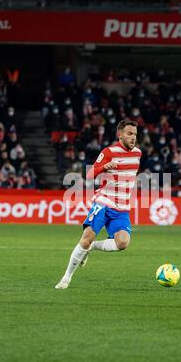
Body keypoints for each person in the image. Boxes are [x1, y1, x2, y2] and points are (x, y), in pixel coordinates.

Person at [55, 120, 141, 289]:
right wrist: (104, 167)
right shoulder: (109, 152)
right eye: (129, 134)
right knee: (86, 238)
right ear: (120, 134)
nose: (133, 138)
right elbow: (89, 174)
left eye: (135, 134)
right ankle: (66, 278)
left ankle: (92, 248)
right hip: (104, 202)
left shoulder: (138, 153)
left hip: (121, 208)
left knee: (122, 243)